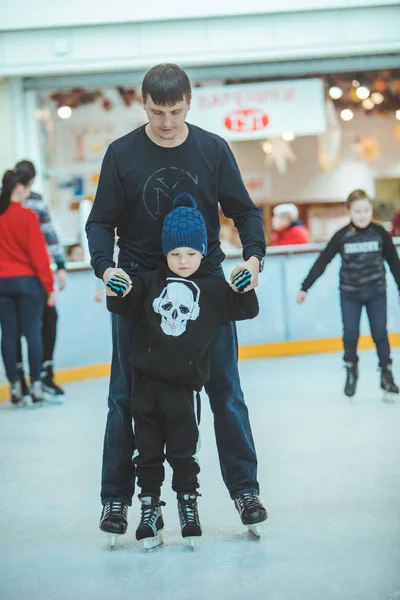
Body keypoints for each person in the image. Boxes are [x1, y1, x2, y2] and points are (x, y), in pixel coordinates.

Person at [86, 63, 267, 543]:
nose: (167, 122)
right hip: (139, 289)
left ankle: (245, 491)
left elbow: (245, 211)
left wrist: (253, 257)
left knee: (226, 391)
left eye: (176, 111)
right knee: (123, 396)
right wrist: (106, 268)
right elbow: (100, 222)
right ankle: (116, 500)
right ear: (141, 103)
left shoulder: (212, 149)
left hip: (206, 285)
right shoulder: (121, 153)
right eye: (156, 111)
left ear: (190, 101)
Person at [106, 193, 260, 549]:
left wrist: (245, 284)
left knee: (182, 452)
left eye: (190, 253)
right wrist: (117, 284)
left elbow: (245, 309)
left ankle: (188, 504)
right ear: (164, 253)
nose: (183, 260)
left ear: (203, 251)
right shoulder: (150, 281)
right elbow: (123, 301)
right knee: (146, 453)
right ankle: (150, 508)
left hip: (184, 391)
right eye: (175, 254)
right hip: (145, 386)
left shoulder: (213, 288)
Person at [297, 189, 400, 399]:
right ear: (349, 212)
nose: (362, 215)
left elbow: (394, 264)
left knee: (380, 333)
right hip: (350, 294)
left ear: (371, 210)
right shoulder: (342, 236)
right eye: (357, 211)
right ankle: (352, 372)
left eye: (366, 210)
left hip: (376, 292)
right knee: (350, 334)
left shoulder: (380, 233)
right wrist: (305, 287)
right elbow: (323, 261)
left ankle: (386, 375)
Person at [0, 167, 55, 404]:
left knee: (9, 335)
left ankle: (14, 385)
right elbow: (39, 257)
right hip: (28, 283)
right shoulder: (27, 216)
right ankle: (36, 386)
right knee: (33, 333)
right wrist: (50, 287)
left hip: (2, 283)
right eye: (25, 191)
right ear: (19, 189)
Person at [14, 160, 67, 398]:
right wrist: (60, 267)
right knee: (44, 322)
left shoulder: (4, 200)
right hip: (33, 277)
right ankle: (42, 377)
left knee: (14, 329)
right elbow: (48, 237)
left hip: (9, 279)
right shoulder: (34, 202)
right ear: (32, 181)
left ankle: (20, 383)